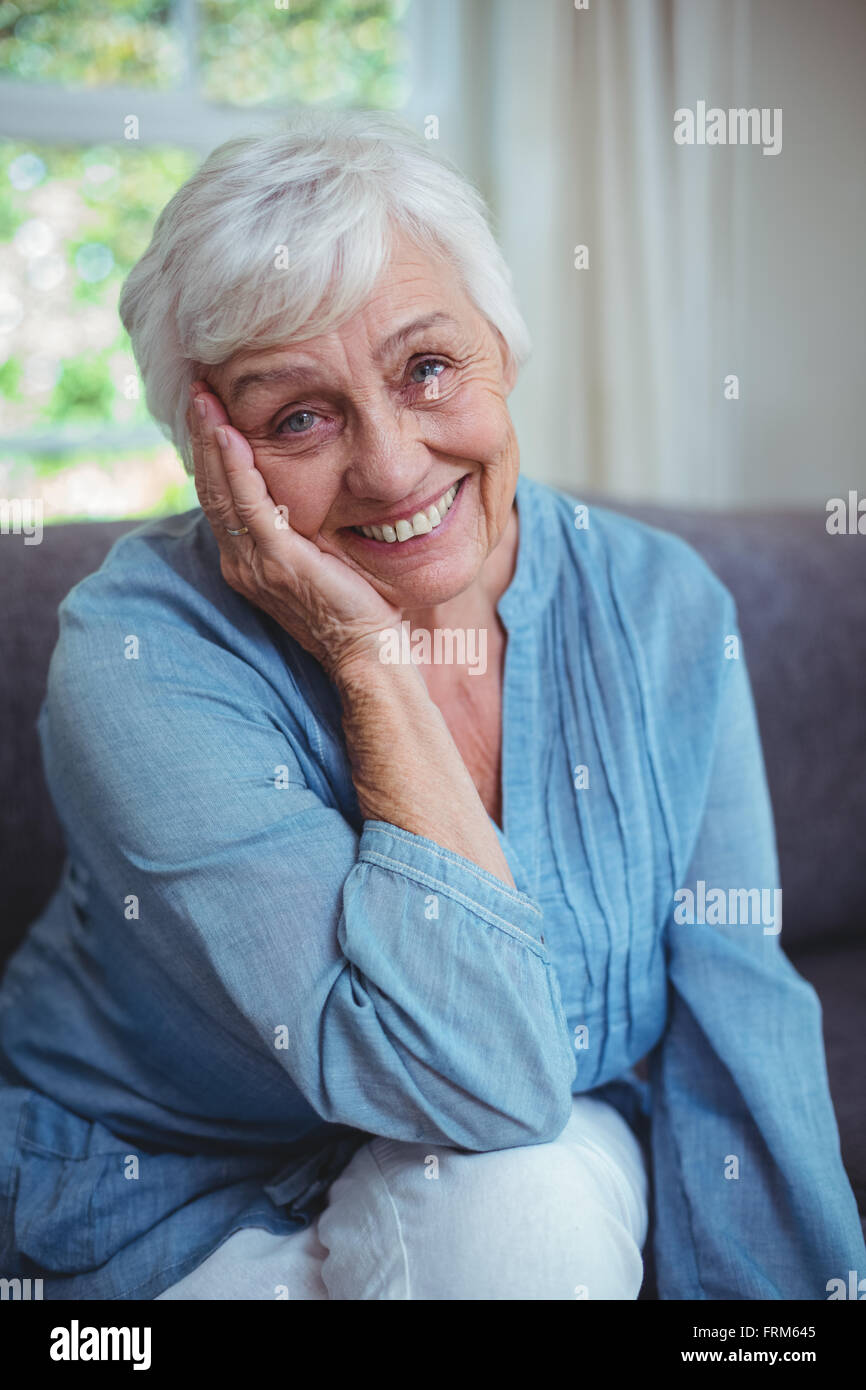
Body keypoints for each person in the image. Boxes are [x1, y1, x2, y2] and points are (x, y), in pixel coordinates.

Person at [0, 109, 861, 1300]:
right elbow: (472, 1072)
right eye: (296, 415)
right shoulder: (140, 651)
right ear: (214, 455)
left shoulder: (662, 605)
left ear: (503, 348)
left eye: (427, 368)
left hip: (516, 1164)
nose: (395, 468)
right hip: (172, 1199)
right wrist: (363, 653)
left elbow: (733, 1006)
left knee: (530, 1202)